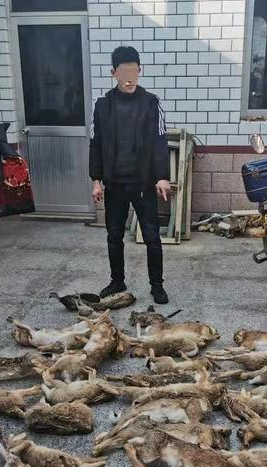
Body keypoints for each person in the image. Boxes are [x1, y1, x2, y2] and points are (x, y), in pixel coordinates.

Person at [89, 46, 172, 305]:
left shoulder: (151, 103)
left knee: (152, 237)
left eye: (134, 72)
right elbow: (95, 143)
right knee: (114, 236)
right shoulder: (102, 106)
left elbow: (160, 141)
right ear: (113, 73)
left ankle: (157, 285)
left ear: (140, 71)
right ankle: (117, 280)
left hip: (143, 184)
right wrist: (96, 180)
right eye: (124, 72)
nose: (129, 78)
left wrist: (162, 176)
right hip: (115, 184)